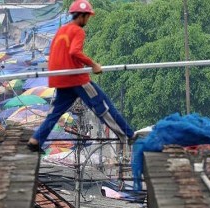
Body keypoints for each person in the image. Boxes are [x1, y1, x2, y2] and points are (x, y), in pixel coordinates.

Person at [27, 0, 135, 152]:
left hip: (61, 79)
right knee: (103, 106)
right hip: (76, 77)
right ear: (82, 16)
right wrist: (94, 65)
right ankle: (129, 135)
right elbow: (74, 52)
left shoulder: (61, 30)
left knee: (55, 113)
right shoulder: (77, 30)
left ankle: (35, 140)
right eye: (88, 17)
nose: (88, 20)